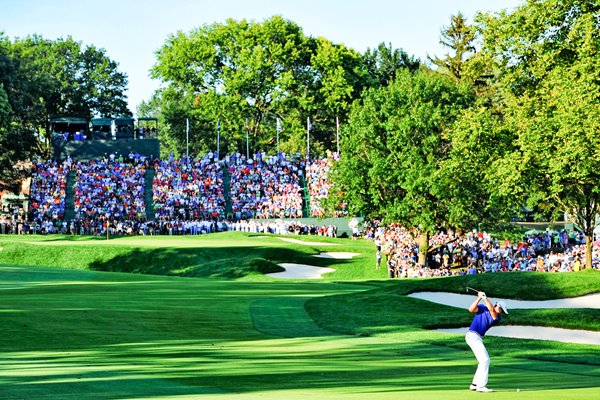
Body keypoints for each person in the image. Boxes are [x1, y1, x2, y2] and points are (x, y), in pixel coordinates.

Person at [465, 291, 509, 392]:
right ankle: (481, 386)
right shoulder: (482, 307)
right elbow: (470, 309)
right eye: (501, 310)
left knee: (483, 361)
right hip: (472, 335)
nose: (501, 312)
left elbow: (492, 310)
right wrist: (479, 298)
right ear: (498, 306)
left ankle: (474, 384)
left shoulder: (497, 317)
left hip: (476, 337)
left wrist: (485, 298)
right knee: (485, 360)